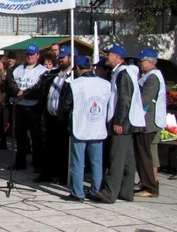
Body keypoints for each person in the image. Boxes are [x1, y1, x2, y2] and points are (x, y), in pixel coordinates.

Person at [94, 45, 146, 204]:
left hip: (124, 122)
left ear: (117, 57)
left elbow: (124, 99)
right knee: (128, 160)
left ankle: (110, 192)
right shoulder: (123, 72)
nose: (107, 57)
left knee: (116, 157)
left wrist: (118, 121)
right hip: (130, 121)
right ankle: (126, 191)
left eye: (109, 54)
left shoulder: (123, 73)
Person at [58, 56, 111, 202]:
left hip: (80, 126)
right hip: (97, 126)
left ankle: (78, 192)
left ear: (78, 68)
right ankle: (96, 190)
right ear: (91, 68)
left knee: (78, 161)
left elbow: (65, 106)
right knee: (96, 162)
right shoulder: (105, 84)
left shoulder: (74, 84)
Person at [4, 44, 48, 171]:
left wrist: (25, 94)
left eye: (32, 54)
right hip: (19, 107)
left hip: (33, 108)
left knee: (36, 137)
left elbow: (40, 89)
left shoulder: (42, 71)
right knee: (20, 136)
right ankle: (20, 162)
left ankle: (38, 163)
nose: (30, 56)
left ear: (37, 56)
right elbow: (9, 85)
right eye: (28, 54)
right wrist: (17, 92)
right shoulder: (17, 69)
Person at [35, 45, 74, 183]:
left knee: (63, 147)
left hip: (63, 117)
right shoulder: (55, 73)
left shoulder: (73, 76)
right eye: (60, 57)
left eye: (63, 57)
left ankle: (63, 175)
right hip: (51, 116)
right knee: (50, 146)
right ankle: (47, 172)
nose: (60, 60)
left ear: (71, 58)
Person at [134, 48, 166, 198]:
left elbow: (145, 99)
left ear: (150, 61)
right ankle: (147, 182)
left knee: (146, 154)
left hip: (149, 121)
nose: (140, 64)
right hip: (147, 120)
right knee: (146, 154)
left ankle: (150, 186)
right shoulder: (147, 75)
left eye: (142, 61)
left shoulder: (153, 77)